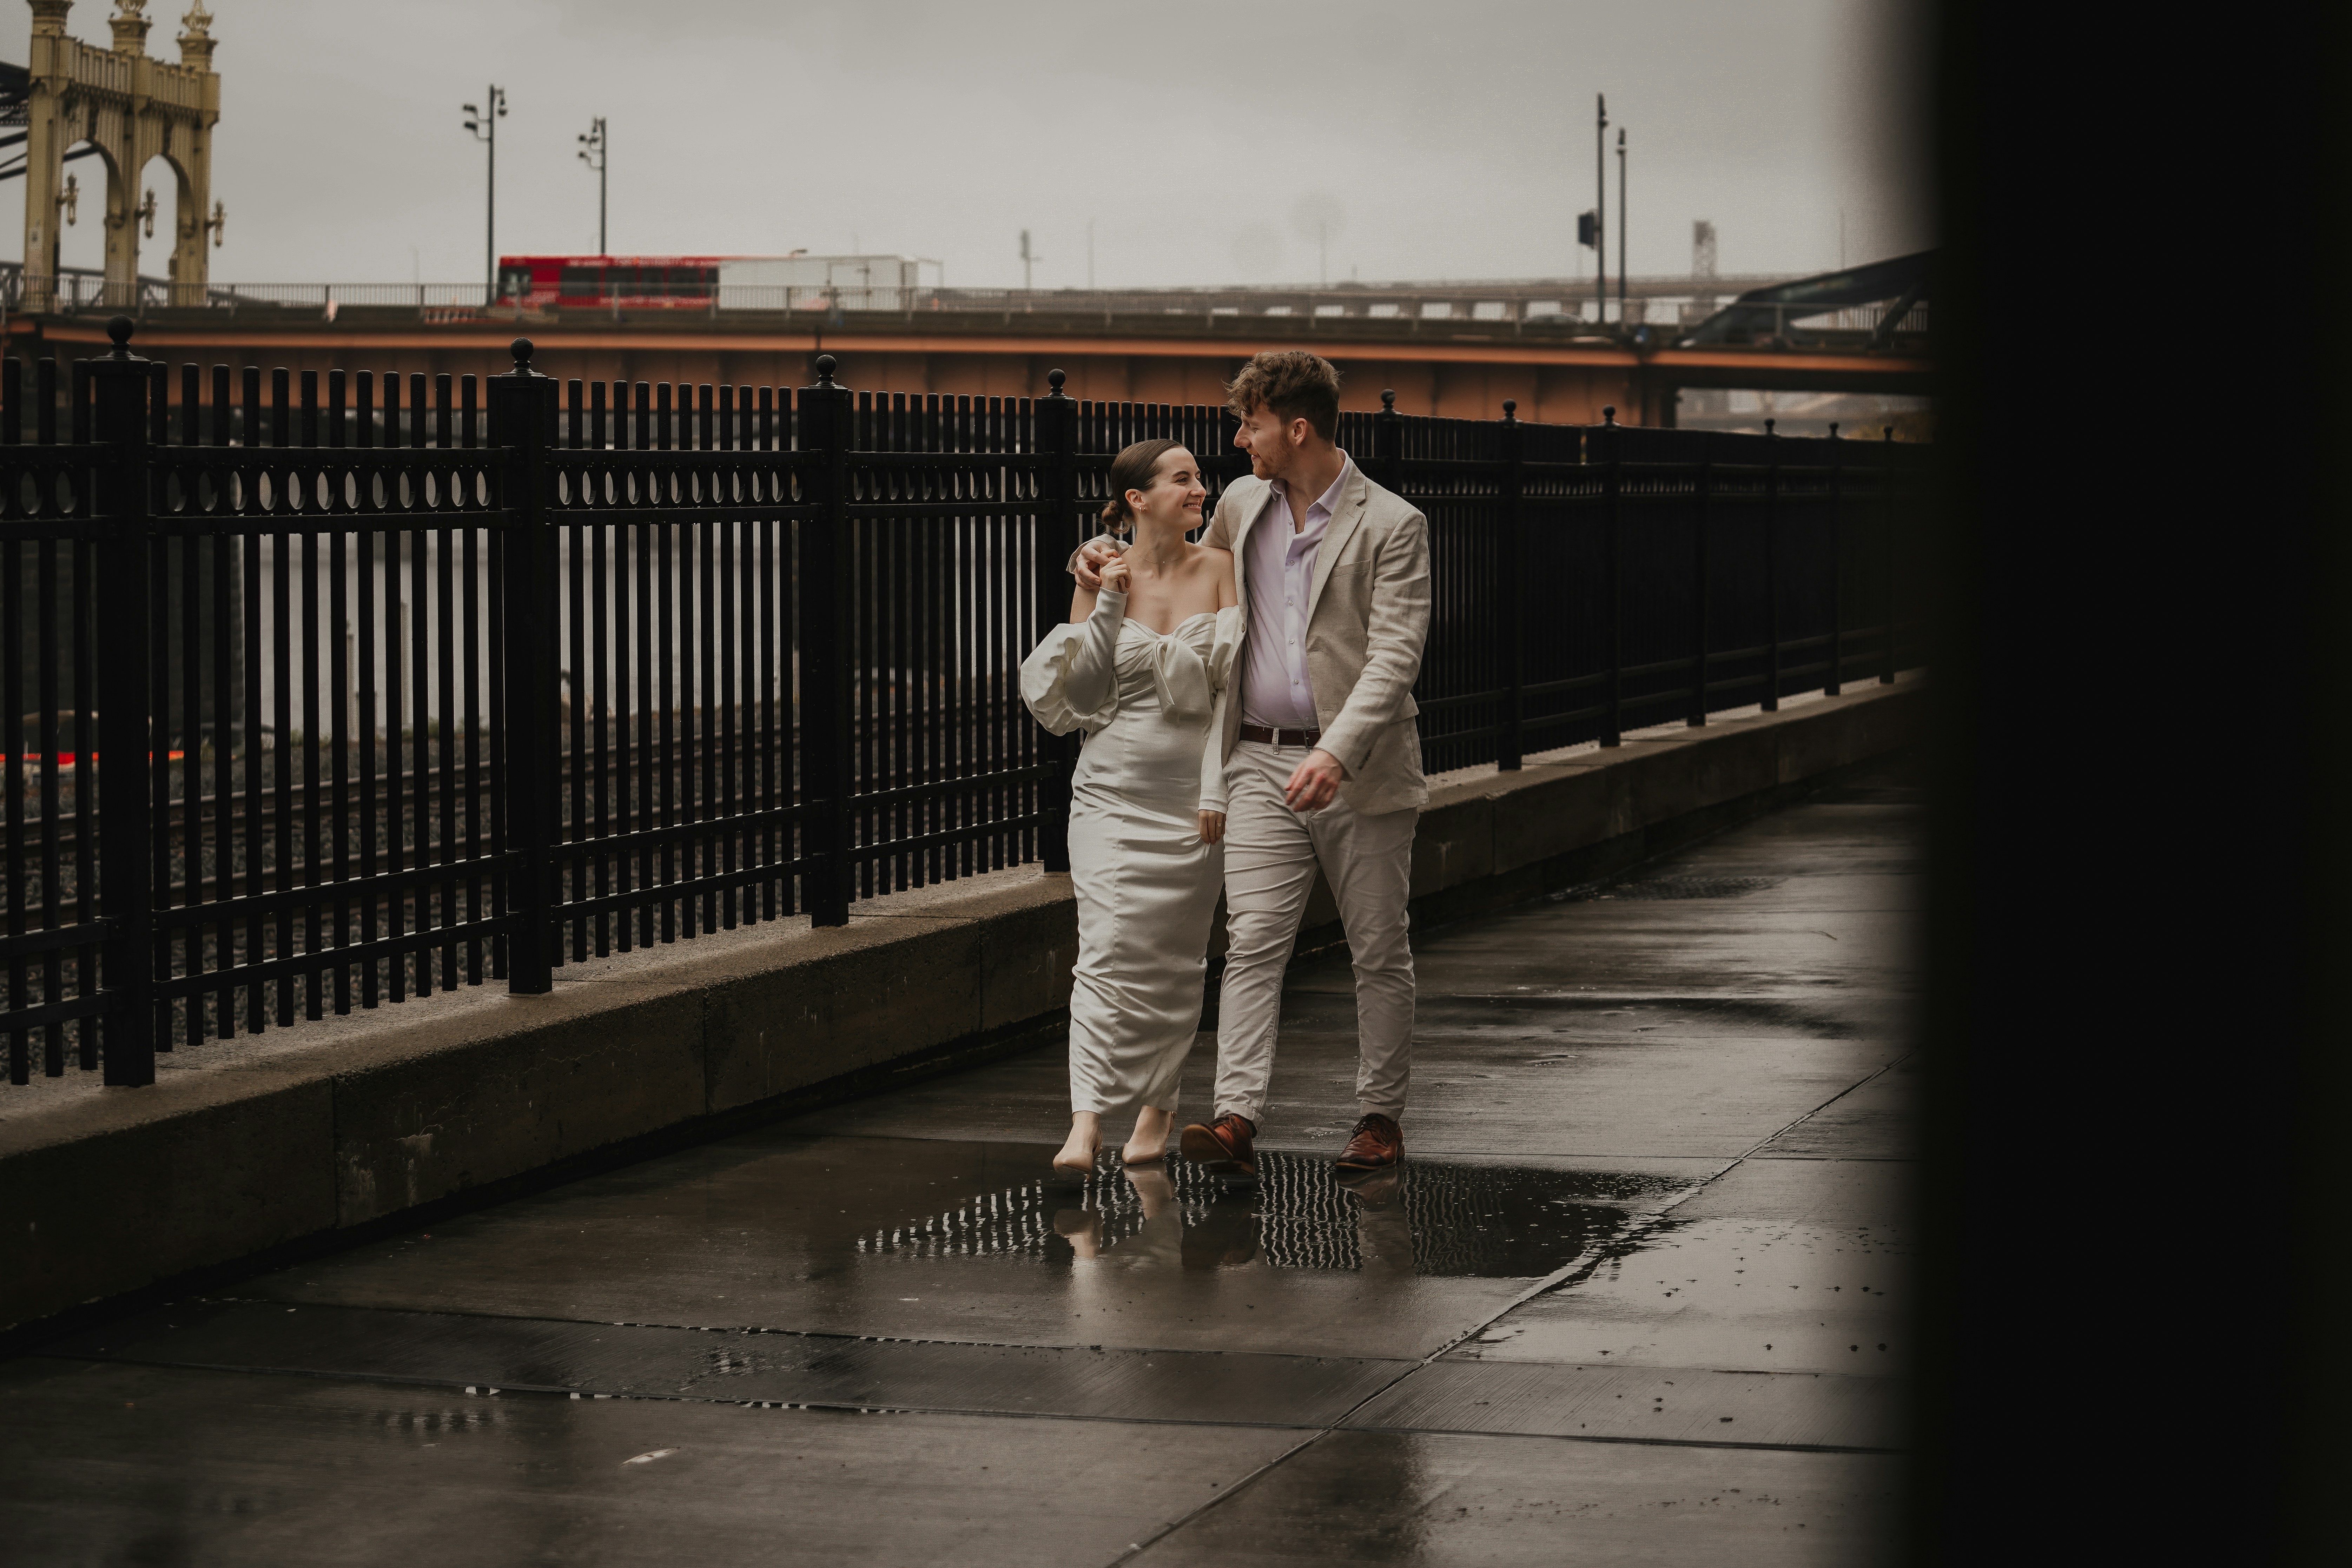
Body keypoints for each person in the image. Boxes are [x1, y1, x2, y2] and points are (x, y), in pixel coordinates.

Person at [1073, 350, 1432, 1180]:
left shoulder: (1393, 523)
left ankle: (1379, 1118)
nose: (1238, 441)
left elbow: (1393, 657)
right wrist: (1092, 561)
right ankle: (1235, 1115)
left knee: (1377, 949)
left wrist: (1337, 752)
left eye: (1250, 424)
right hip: (1258, 759)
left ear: (1294, 427)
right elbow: (1172, 558)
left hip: (1360, 769)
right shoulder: (1242, 501)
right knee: (1253, 943)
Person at [1021, 439, 1242, 1181]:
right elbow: (1082, 699)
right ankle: (1085, 1121)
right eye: (1183, 479)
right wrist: (1108, 599)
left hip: (1193, 804)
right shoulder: (1097, 573)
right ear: (1138, 498)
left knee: (1178, 962)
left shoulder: (1219, 568)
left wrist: (1216, 789)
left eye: (1200, 478)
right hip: (1112, 797)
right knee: (1106, 954)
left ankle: (1156, 1112)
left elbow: (1231, 695)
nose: (1200, 489)